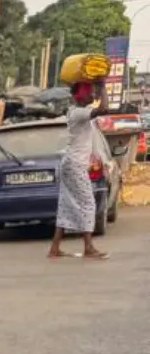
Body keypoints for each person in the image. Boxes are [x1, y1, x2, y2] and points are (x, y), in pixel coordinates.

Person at [49, 80, 109, 261]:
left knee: (65, 205)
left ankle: (55, 248)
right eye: (88, 93)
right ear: (81, 96)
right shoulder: (79, 113)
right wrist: (103, 86)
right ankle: (88, 248)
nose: (92, 95)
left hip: (70, 163)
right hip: (75, 164)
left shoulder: (75, 111)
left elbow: (98, 107)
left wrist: (98, 89)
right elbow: (104, 109)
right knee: (88, 204)